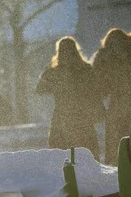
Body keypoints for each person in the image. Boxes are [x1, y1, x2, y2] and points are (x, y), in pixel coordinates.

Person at [36, 36, 102, 160]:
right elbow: (96, 91)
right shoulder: (86, 69)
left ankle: (66, 177)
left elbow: (40, 89)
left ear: (59, 52)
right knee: (86, 151)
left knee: (61, 153)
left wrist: (51, 66)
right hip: (83, 116)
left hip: (62, 116)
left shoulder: (55, 72)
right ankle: (87, 177)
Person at [92, 28, 131, 165]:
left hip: (117, 105)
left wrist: (98, 107)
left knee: (115, 142)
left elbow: (98, 86)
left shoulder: (105, 55)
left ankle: (117, 171)